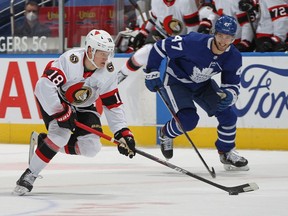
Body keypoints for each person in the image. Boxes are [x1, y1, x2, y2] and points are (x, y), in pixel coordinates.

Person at [13, 29, 136, 196]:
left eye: (109, 53)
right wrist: (60, 112)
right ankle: (29, 175)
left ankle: (43, 142)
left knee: (91, 148)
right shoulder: (70, 61)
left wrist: (123, 132)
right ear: (90, 50)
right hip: (57, 99)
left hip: (85, 104)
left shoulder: (108, 70)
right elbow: (43, 86)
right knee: (60, 135)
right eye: (102, 53)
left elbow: (112, 103)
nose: (106, 58)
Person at [144, 15, 249, 171]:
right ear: (214, 33)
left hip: (202, 84)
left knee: (228, 115)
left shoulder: (233, 57)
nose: (223, 41)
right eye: (220, 35)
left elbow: (232, 84)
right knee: (188, 121)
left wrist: (229, 95)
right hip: (176, 81)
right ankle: (166, 132)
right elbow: (161, 46)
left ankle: (226, 152)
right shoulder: (193, 42)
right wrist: (151, 71)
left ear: (234, 38)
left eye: (228, 37)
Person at [117, 0, 200, 83]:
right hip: (161, 34)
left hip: (181, 39)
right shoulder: (156, 1)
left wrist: (187, 47)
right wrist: (144, 32)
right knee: (143, 53)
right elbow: (153, 18)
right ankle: (119, 76)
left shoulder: (186, 2)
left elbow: (193, 29)